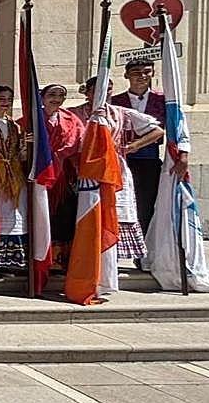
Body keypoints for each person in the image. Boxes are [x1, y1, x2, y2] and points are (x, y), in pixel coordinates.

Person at [76, 76, 163, 264]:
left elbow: (157, 130)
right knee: (87, 211)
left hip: (113, 167)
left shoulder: (120, 113)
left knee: (113, 211)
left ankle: (109, 261)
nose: (104, 93)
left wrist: (134, 146)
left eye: (108, 89)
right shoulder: (76, 113)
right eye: (98, 89)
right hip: (85, 169)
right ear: (88, 93)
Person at [111, 60, 166, 234]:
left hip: (149, 159)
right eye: (136, 72)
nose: (142, 76)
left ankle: (144, 249)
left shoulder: (162, 100)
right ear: (126, 75)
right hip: (121, 160)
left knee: (146, 204)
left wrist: (136, 145)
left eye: (146, 72)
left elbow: (163, 130)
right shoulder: (115, 101)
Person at [39, 84, 85, 267]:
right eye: (52, 94)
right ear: (43, 97)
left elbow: (81, 142)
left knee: (64, 215)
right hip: (39, 175)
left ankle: (60, 260)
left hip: (64, 177)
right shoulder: (32, 118)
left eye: (61, 95)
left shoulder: (71, 119)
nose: (56, 98)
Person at [0, 86, 29, 277]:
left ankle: (11, 260)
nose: (5, 102)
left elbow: (19, 153)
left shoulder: (15, 125)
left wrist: (27, 145)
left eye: (9, 99)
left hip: (13, 175)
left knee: (15, 216)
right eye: (1, 99)